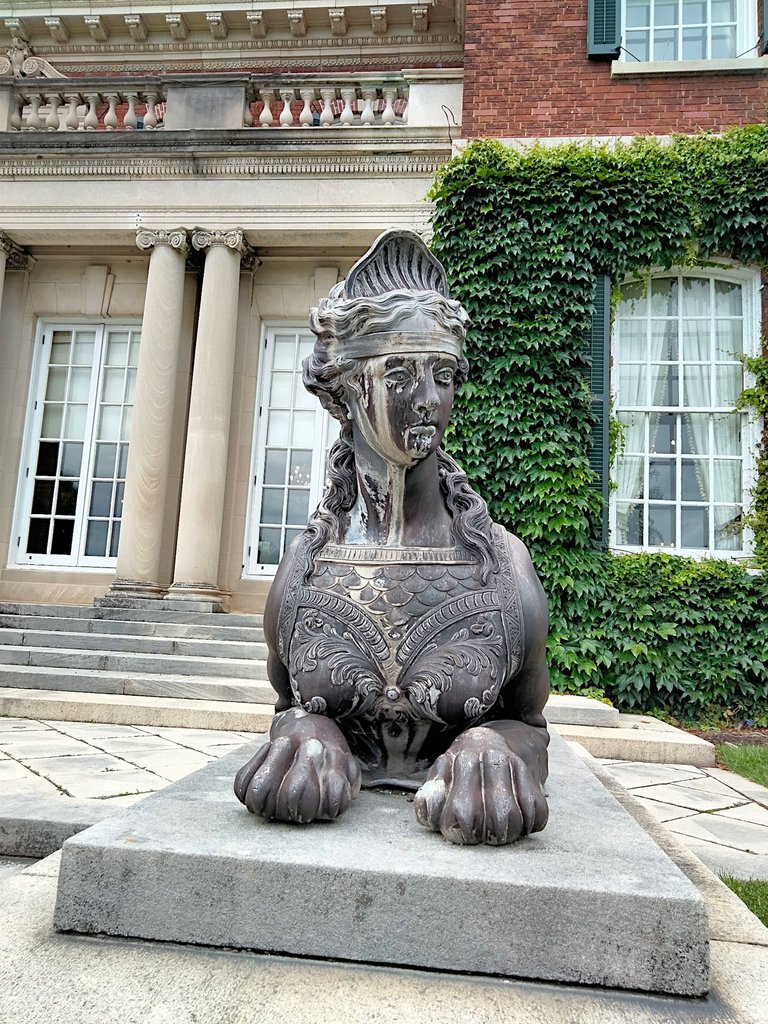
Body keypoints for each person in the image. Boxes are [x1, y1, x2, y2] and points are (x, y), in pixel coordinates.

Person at [235, 229, 550, 845]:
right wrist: (307, 732)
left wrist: (490, 744)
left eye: (444, 375)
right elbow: (285, 708)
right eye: (401, 374)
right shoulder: (305, 569)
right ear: (347, 390)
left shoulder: (502, 569)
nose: (429, 399)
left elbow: (530, 724)